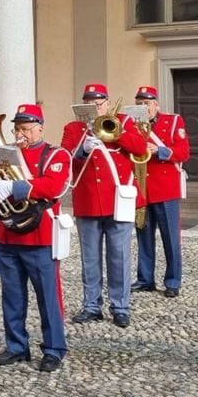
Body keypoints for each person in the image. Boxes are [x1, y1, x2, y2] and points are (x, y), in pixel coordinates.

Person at [0, 104, 71, 372]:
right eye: (16, 128)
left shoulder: (55, 154)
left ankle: (54, 348)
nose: (19, 133)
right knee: (12, 296)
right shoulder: (6, 154)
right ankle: (16, 346)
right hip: (9, 233)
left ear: (39, 128)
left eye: (25, 128)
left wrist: (15, 185)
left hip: (40, 235)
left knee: (48, 296)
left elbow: (54, 186)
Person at [60, 83, 147, 328]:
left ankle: (120, 306)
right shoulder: (73, 127)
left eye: (98, 103)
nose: (94, 107)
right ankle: (91, 305)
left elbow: (140, 148)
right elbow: (64, 157)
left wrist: (115, 132)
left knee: (119, 256)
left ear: (107, 103)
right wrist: (82, 150)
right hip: (88, 200)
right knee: (90, 258)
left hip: (117, 198)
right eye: (89, 103)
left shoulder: (124, 121)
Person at [131, 86, 190, 298]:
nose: (143, 107)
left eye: (146, 103)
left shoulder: (173, 122)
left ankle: (172, 281)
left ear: (156, 104)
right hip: (142, 189)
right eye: (138, 104)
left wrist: (161, 150)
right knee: (143, 237)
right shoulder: (133, 125)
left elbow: (184, 152)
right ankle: (145, 279)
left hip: (166, 190)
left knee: (171, 239)